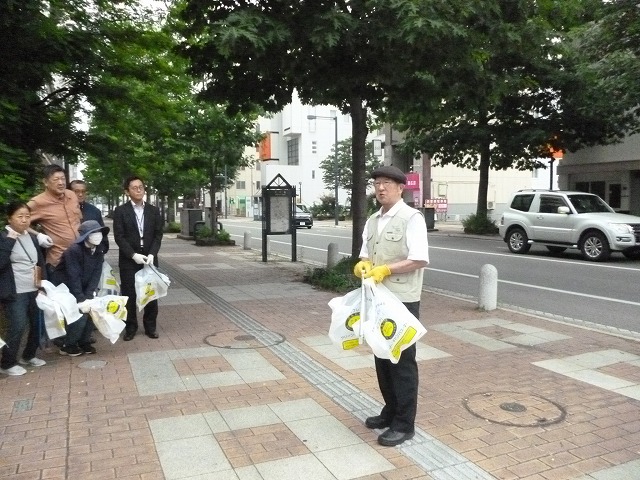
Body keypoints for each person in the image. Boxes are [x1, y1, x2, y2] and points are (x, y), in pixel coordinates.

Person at [354, 165, 430, 447]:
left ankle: (404, 423)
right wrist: (363, 265)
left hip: (403, 300)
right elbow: (365, 254)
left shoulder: (412, 218)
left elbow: (419, 259)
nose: (381, 187)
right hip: (377, 299)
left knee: (402, 361)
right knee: (382, 357)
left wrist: (386, 269)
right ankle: (390, 410)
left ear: (400, 188)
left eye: (387, 182)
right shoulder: (373, 220)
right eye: (377, 183)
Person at [112, 176, 163, 341]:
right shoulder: (120, 211)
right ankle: (130, 327)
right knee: (129, 294)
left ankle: (150, 327)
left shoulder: (153, 210)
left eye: (141, 187)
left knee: (151, 294)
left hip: (149, 258)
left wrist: (152, 254)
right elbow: (119, 237)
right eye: (134, 187)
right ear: (127, 191)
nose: (139, 190)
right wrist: (133, 255)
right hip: (129, 259)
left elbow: (158, 235)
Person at [0, 202, 48, 375]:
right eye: (20, 216)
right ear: (9, 218)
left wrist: (43, 284)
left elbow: (39, 262)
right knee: (18, 325)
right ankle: (7, 363)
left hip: (34, 288)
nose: (24, 220)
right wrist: (10, 240)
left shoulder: (32, 237)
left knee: (37, 323)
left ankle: (28, 356)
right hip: (15, 291)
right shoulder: (3, 237)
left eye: (27, 216)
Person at [51, 220, 109, 356]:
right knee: (79, 314)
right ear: (85, 236)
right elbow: (73, 275)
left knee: (92, 310)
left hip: (85, 286)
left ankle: (84, 341)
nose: (97, 235)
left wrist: (89, 294)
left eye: (99, 232)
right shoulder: (73, 250)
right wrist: (80, 297)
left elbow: (97, 273)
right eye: (93, 232)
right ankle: (68, 345)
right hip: (66, 288)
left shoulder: (99, 250)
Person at [28, 164, 82, 275]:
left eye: (63, 179)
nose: (61, 183)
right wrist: (38, 235)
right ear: (46, 182)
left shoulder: (72, 195)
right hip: (59, 261)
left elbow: (79, 218)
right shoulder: (38, 202)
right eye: (56, 179)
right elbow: (17, 222)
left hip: (80, 257)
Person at [69, 179, 109, 253]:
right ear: (69, 192)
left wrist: (101, 250)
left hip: (91, 253)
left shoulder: (94, 211)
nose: (80, 194)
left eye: (83, 191)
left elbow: (102, 233)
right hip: (70, 252)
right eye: (76, 191)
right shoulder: (63, 210)